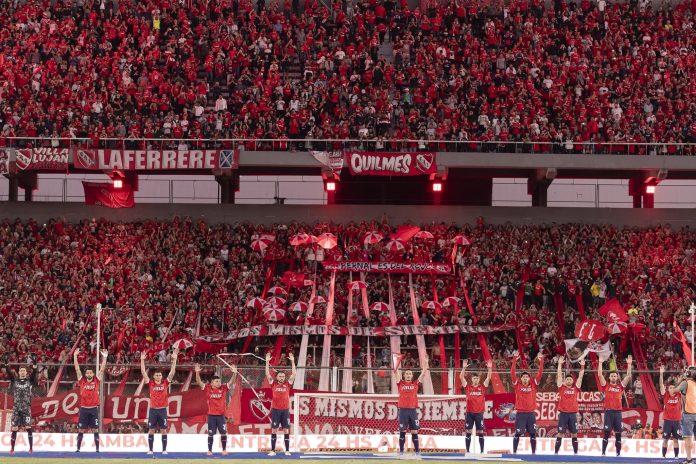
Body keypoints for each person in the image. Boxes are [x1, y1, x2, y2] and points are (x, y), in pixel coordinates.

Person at [141, 347, 179, 455]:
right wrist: (142, 360)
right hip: (153, 410)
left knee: (163, 430)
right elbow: (143, 372)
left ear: (162, 376)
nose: (158, 376)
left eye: (160, 375)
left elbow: (172, 372)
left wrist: (174, 360)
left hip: (162, 410)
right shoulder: (150, 383)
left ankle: (164, 450)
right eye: (156, 375)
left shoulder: (165, 383)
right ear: (154, 376)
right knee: (151, 430)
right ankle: (150, 450)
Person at [195, 362, 237, 456]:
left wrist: (234, 373)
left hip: (221, 416)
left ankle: (224, 450)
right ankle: (209, 450)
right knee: (211, 433)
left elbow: (231, 381)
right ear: (212, 382)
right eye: (217, 381)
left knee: (223, 433)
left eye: (219, 381)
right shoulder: (207, 388)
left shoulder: (223, 388)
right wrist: (197, 373)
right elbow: (199, 382)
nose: (219, 383)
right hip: (211, 416)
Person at [392, 357, 429, 456]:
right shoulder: (400, 383)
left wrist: (425, 363)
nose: (408, 375)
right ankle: (401, 452)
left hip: (412, 411)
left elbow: (423, 373)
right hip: (403, 411)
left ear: (412, 376)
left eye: (410, 374)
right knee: (402, 431)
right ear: (404, 375)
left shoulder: (415, 383)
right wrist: (395, 362)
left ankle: (417, 452)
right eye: (407, 374)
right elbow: (395, 372)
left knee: (414, 431)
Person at [73, 348, 108, 453]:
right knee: (81, 429)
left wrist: (105, 358)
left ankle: (97, 449)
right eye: (87, 373)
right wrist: (75, 356)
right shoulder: (82, 381)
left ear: (93, 374)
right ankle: (78, 449)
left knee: (95, 429)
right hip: (83, 409)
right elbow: (77, 369)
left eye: (90, 373)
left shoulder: (97, 381)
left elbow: (102, 370)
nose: (88, 374)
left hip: (93, 409)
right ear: (86, 374)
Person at [597, 355, 632, 457]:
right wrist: (600, 363)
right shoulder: (606, 385)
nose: (613, 377)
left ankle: (618, 454)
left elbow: (628, 376)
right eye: (612, 376)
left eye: (615, 376)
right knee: (607, 433)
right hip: (608, 412)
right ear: (609, 378)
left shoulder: (620, 386)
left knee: (618, 434)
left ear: (617, 378)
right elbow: (599, 375)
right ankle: (603, 452)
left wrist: (629, 365)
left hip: (618, 413)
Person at [3, 355, 38, 453]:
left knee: (28, 427)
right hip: (16, 409)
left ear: (26, 373)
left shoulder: (29, 381)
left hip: (26, 409)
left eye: (24, 371)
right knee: (14, 428)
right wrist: (6, 363)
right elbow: (9, 372)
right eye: (21, 370)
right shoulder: (14, 381)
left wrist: (35, 364)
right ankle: (12, 449)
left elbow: (34, 373)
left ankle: (31, 448)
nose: (22, 372)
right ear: (19, 372)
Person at [511, 353, 544, 454]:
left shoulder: (533, 383)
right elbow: (512, 373)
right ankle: (515, 452)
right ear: (521, 378)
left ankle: (533, 453)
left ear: (529, 378)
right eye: (523, 377)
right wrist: (514, 359)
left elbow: (540, 373)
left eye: (526, 377)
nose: (525, 378)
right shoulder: (517, 384)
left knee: (533, 434)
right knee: (517, 434)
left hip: (531, 414)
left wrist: (541, 360)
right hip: (520, 414)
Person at [265, 352, 297, 456]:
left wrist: (292, 361)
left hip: (285, 410)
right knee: (274, 430)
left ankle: (287, 450)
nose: (282, 377)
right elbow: (267, 374)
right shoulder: (273, 384)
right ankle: (273, 450)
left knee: (286, 430)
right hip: (275, 410)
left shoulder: (287, 384)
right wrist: (267, 362)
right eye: (280, 376)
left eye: (283, 376)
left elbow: (294, 374)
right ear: (277, 377)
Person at [460, 359, 492, 454]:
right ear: (472, 379)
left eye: (477, 378)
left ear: (478, 379)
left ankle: (482, 451)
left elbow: (489, 377)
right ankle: (468, 451)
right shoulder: (468, 387)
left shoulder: (482, 387)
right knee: (468, 432)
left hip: (479, 413)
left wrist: (489, 368)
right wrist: (464, 368)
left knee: (481, 432)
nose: (476, 380)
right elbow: (461, 377)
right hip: (469, 413)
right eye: (474, 378)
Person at [555, 356, 585, 455]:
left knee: (574, 434)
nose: (568, 380)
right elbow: (559, 376)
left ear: (572, 381)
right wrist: (559, 364)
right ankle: (556, 453)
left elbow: (580, 377)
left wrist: (582, 367)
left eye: (570, 379)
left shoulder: (576, 388)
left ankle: (575, 454)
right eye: (567, 379)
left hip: (572, 414)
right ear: (565, 381)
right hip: (563, 414)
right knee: (560, 433)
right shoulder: (561, 387)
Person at [659, 365, 681, 458]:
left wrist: (680, 380)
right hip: (667, 421)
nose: (672, 389)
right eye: (670, 388)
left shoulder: (679, 395)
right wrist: (661, 374)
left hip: (676, 421)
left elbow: (680, 386)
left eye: (673, 388)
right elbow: (661, 385)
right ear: (668, 389)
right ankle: (663, 456)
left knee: (676, 440)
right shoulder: (665, 395)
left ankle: (676, 456)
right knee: (665, 440)